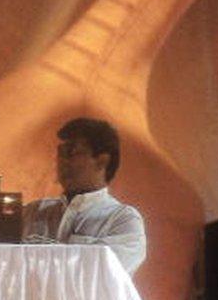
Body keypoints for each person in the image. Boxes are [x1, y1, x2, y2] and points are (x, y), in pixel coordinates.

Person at [22, 117, 147, 274]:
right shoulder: (33, 212)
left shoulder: (122, 220)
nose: (61, 160)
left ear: (102, 161)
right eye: (60, 152)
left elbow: (100, 272)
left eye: (71, 152)